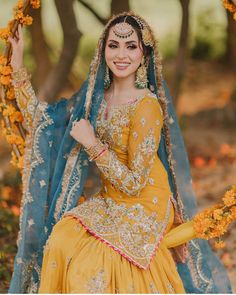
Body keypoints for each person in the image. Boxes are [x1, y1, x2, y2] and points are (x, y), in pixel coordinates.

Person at [8, 12, 232, 293]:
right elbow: (45, 122)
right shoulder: (94, 97)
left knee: (89, 266)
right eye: (114, 45)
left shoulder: (147, 107)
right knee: (62, 237)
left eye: (131, 46)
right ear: (103, 50)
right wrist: (16, 68)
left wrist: (92, 143)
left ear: (144, 54)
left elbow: (134, 183)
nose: (121, 54)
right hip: (110, 199)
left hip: (145, 203)